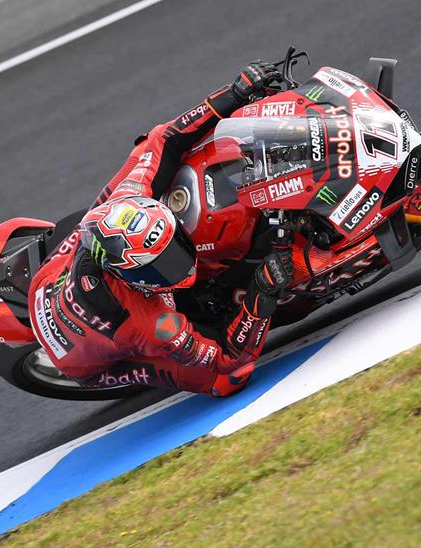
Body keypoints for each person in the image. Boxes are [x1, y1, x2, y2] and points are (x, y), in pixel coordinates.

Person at [27, 61, 292, 397]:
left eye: (174, 248)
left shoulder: (128, 197)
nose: (184, 264)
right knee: (229, 379)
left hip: (47, 281)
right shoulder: (152, 325)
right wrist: (261, 295)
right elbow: (227, 357)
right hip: (81, 359)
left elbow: (164, 139)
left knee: (146, 150)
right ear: (131, 277)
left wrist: (234, 93)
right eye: (163, 265)